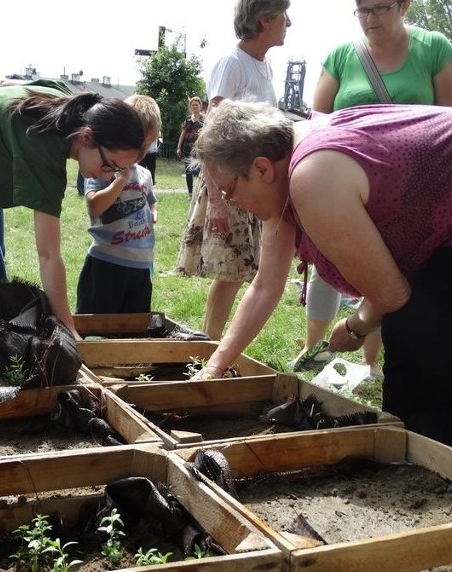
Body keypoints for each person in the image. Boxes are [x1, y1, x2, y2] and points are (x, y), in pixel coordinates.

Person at [191, 99, 452, 465]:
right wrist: (216, 365)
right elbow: (264, 286)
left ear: (261, 169)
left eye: (229, 191)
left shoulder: (312, 175)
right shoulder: (287, 166)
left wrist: (356, 325)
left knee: (422, 345)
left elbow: (391, 294)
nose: (233, 203)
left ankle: (424, 477)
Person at [292, 0, 452, 376]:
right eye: (361, 10)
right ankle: (314, 349)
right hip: (347, 182)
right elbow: (317, 122)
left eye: (379, 8)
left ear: (404, 5)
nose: (369, 19)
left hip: (412, 187)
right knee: (328, 263)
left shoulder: (434, 48)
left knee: (391, 266)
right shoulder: (341, 55)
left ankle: (371, 361)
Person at [0, 80, 146, 336]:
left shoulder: (72, 108)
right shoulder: (45, 146)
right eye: (110, 165)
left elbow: (10, 83)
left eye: (117, 171)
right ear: (86, 136)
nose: (108, 177)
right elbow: (48, 254)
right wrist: (67, 328)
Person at [175, 0, 291, 340]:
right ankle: (207, 345)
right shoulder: (232, 63)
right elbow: (212, 135)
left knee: (241, 271)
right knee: (230, 271)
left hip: (255, 183)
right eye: (284, 15)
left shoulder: (264, 66)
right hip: (230, 182)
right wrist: (218, 198)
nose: (290, 23)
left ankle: (213, 344)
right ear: (265, 20)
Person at [76, 95, 160, 314]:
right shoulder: (103, 168)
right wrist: (120, 180)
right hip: (106, 261)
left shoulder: (144, 174)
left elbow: (150, 200)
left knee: (134, 327)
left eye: (147, 145)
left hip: (140, 264)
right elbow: (94, 207)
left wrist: (153, 212)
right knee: (95, 324)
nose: (140, 153)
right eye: (138, 144)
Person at [176, 96, 204, 195]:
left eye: (197, 105)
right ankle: (190, 193)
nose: (195, 107)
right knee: (188, 171)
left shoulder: (204, 119)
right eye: (193, 105)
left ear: (200, 106)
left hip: (199, 149)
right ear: (190, 107)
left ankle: (200, 193)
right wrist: (179, 147)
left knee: (200, 171)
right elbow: (183, 133)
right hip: (187, 148)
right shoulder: (187, 119)